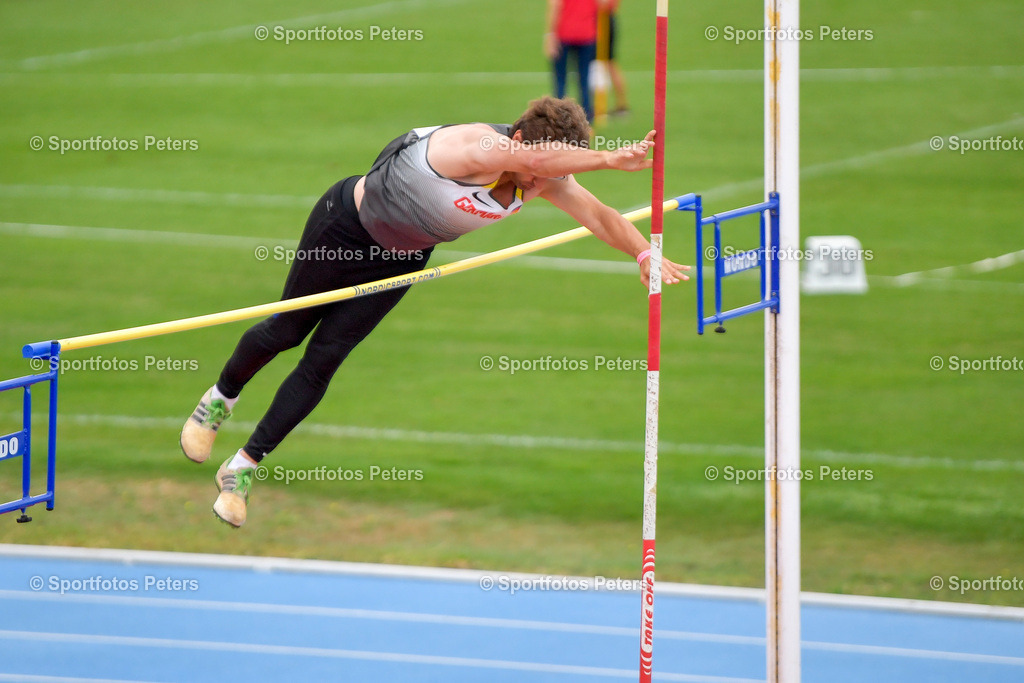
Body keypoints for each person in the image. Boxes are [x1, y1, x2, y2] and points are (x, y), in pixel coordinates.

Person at [179, 96, 688, 527]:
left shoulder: (543, 174)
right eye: (535, 172)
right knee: (287, 330)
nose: (538, 188)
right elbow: (535, 161)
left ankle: (243, 466)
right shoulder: (476, 146)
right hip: (345, 230)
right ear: (519, 141)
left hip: (401, 259)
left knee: (326, 359)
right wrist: (607, 159)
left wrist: (643, 253)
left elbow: (599, 215)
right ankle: (219, 399)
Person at [545, 0, 598, 121]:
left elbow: (555, 6)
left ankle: (558, 118)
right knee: (584, 79)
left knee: (560, 79)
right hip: (587, 34)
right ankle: (587, 119)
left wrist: (550, 36)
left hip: (564, 34)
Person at [601, 0, 630, 116]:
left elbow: (606, 4)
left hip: (603, 22)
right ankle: (621, 105)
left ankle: (621, 105)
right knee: (606, 64)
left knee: (608, 64)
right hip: (597, 21)